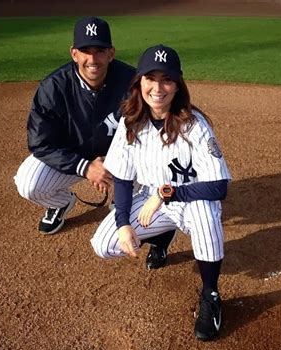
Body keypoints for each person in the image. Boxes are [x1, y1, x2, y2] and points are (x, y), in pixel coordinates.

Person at [91, 45, 232, 340]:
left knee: (206, 213)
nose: (158, 88)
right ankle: (161, 236)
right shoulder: (130, 121)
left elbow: (219, 187)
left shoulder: (194, 124)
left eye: (166, 79)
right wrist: (123, 224)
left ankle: (211, 295)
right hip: (151, 202)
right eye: (150, 78)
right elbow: (124, 180)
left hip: (190, 200)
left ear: (177, 85)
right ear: (139, 82)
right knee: (105, 244)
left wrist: (165, 193)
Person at [14, 17, 175, 269]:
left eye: (100, 50)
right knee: (28, 183)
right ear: (74, 53)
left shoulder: (132, 82)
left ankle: (159, 236)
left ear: (111, 53)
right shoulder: (53, 88)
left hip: (123, 159)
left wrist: (118, 162)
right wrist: (85, 167)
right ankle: (61, 204)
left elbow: (154, 127)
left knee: (139, 202)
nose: (93, 59)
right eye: (86, 51)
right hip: (73, 158)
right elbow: (40, 143)